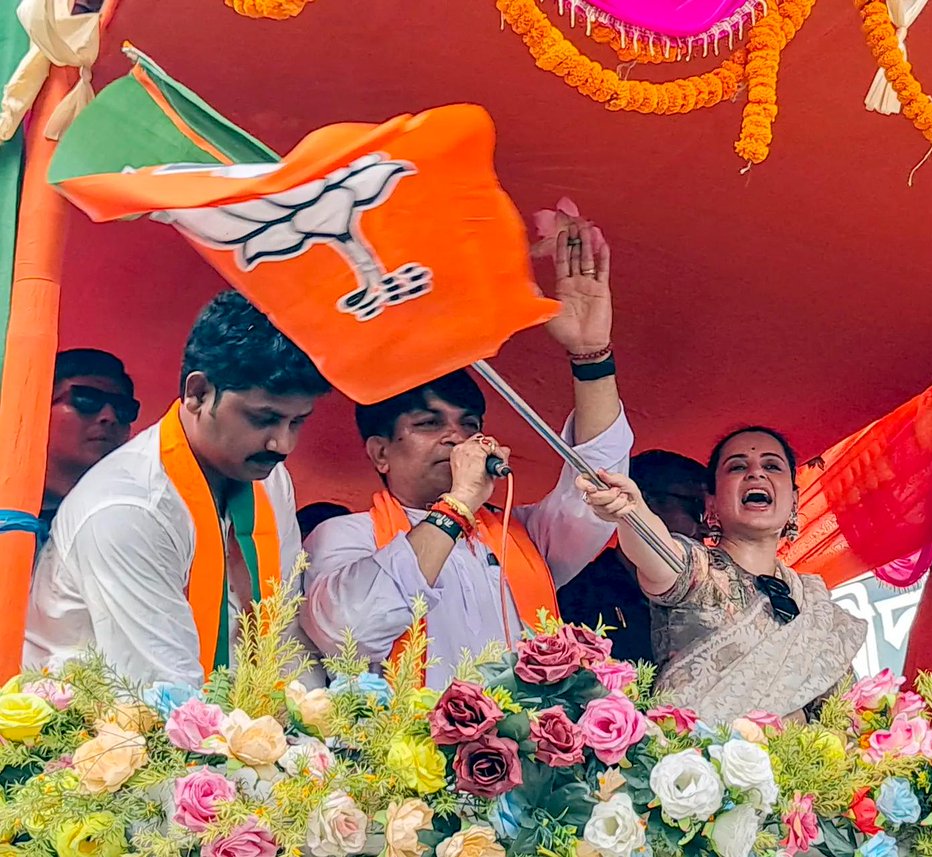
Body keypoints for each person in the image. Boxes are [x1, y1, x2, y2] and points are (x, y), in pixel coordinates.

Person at [301, 219, 633, 688]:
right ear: (380, 453)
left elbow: (599, 489)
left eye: (469, 425)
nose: (456, 438)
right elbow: (347, 628)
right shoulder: (344, 537)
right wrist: (456, 508)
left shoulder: (520, 537)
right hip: (402, 755)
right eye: (429, 423)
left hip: (523, 755)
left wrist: (592, 354)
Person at [25, 291, 331, 687]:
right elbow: (164, 693)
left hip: (227, 722)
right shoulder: (128, 508)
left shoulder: (268, 476)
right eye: (264, 418)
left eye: (297, 422)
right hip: (106, 733)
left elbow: (285, 632)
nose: (282, 444)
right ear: (199, 394)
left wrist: (318, 737)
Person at [580, 426, 866, 722]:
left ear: (794, 500)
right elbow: (657, 552)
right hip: (697, 763)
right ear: (712, 502)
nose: (756, 474)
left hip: (809, 766)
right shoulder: (698, 571)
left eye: (772, 466)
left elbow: (849, 717)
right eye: (737, 466)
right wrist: (631, 512)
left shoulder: (817, 607)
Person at [557, 450, 706, 664]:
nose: (704, 525)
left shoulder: (706, 591)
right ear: (644, 501)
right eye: (696, 508)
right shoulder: (580, 594)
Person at [42, 349, 139, 529]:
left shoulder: (134, 517)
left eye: (122, 408)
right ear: (39, 407)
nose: (109, 417)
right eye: (87, 400)